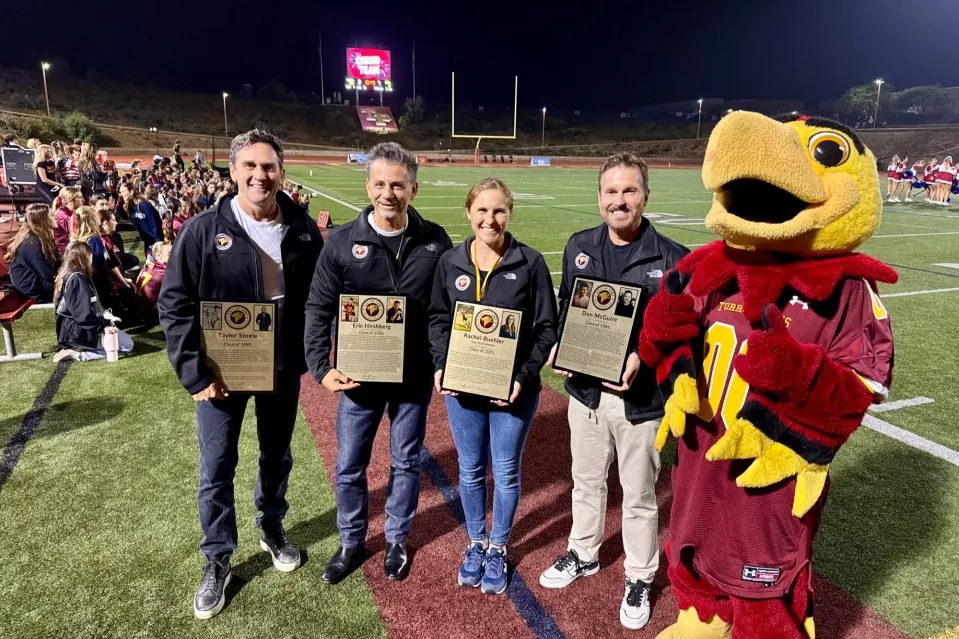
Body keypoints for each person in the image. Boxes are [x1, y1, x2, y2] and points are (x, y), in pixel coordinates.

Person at [158, 129, 324, 620]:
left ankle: (271, 527)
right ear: (233, 172)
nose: (260, 175)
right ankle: (217, 558)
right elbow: (174, 304)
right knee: (216, 466)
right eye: (250, 166)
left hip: (279, 367)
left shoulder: (302, 228)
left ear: (281, 172)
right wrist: (193, 373)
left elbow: (319, 299)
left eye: (269, 166)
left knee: (276, 455)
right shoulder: (203, 230)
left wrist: (312, 354)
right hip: (220, 373)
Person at [537, 153, 689, 630]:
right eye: (611, 192)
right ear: (598, 197)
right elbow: (566, 308)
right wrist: (562, 344)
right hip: (584, 394)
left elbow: (681, 335)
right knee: (586, 480)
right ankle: (583, 552)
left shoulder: (673, 259)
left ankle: (640, 574)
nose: (619, 201)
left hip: (641, 403)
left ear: (645, 195)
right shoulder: (579, 246)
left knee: (640, 494)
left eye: (629, 191)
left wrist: (643, 359)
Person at [304, 141, 452, 585]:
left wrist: (446, 361)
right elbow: (318, 306)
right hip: (359, 375)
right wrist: (319, 365)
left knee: (406, 462)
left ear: (414, 189)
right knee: (350, 463)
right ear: (368, 185)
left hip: (412, 377)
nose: (389, 193)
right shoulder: (343, 242)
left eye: (399, 185)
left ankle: (396, 539)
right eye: (381, 184)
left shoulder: (435, 240)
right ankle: (350, 540)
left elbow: (446, 308)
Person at [429, 178, 557, 594]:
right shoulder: (450, 262)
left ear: (510, 213)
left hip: (512, 392)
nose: (490, 219)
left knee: (504, 470)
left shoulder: (530, 262)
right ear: (468, 212)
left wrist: (522, 377)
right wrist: (440, 365)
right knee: (469, 469)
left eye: (499, 210)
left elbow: (545, 329)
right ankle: (475, 541)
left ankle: (498, 546)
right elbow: (437, 320)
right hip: (463, 387)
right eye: (482, 210)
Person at [52, 241, 134, 362]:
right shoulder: (77, 280)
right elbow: (82, 315)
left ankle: (80, 348)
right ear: (84, 258)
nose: (92, 260)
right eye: (90, 257)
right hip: (75, 333)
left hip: (72, 330)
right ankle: (77, 353)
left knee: (119, 336)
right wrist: (102, 327)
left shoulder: (70, 274)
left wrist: (105, 320)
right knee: (127, 345)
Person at [5, 203, 59, 302]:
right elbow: (46, 273)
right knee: (71, 287)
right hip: (32, 286)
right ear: (42, 220)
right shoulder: (32, 243)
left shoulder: (41, 237)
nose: (54, 216)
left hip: (39, 280)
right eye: (51, 215)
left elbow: (56, 261)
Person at [53, 187, 84, 255]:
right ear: (70, 200)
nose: (83, 200)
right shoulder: (62, 215)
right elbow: (75, 232)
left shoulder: (72, 212)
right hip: (64, 252)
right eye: (80, 197)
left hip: (71, 248)